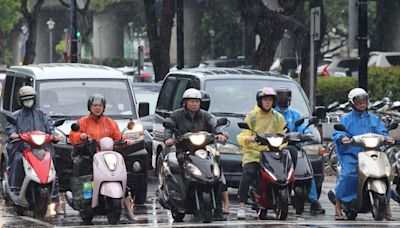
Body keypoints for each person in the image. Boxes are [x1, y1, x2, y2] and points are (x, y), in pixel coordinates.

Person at [163, 88, 228, 221]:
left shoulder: (205, 115)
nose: (195, 104)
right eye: (192, 101)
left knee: (215, 170)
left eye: (197, 102)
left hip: (203, 150)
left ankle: (219, 208)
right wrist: (168, 138)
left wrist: (219, 134)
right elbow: (169, 127)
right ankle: (179, 198)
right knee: (178, 168)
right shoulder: (177, 115)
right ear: (185, 102)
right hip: (184, 150)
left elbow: (214, 125)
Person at [69, 94, 135, 220]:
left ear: (104, 107)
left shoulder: (110, 122)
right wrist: (81, 137)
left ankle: (128, 208)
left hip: (107, 157)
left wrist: (125, 140)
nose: (97, 108)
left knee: (124, 174)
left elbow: (118, 137)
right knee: (85, 176)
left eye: (100, 105)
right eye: (95, 105)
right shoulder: (83, 122)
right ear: (90, 107)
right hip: (89, 156)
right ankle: (84, 201)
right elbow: (74, 135)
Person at [332, 88, 393, 220]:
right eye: (358, 100)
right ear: (352, 102)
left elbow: (382, 131)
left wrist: (386, 137)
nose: (362, 103)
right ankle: (338, 205)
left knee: (385, 174)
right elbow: (338, 133)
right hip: (351, 154)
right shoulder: (346, 119)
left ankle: (387, 206)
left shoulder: (374, 119)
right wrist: (342, 138)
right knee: (348, 175)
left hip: (371, 153)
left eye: (364, 100)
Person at [6, 86, 63, 215]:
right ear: (20, 101)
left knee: (52, 165)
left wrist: (55, 135)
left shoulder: (41, 114)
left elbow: (50, 127)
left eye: (30, 99)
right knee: (17, 160)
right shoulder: (16, 116)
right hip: (22, 148)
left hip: (42, 149)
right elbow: (11, 129)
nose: (28, 102)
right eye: (25, 99)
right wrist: (14, 135)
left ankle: (55, 197)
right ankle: (15, 189)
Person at [236, 86, 288, 219]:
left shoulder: (278, 117)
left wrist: (284, 140)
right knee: (248, 173)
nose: (267, 102)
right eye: (265, 99)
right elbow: (243, 135)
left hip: (271, 152)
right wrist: (248, 138)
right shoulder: (252, 116)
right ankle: (241, 205)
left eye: (270, 100)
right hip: (253, 153)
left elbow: (284, 132)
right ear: (260, 101)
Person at [275, 88, 325, 215]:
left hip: (294, 147)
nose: (284, 99)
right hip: (275, 149)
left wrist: (308, 133)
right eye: (281, 96)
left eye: (287, 96)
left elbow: (302, 126)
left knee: (308, 170)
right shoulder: (272, 114)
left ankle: (314, 201)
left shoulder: (294, 114)